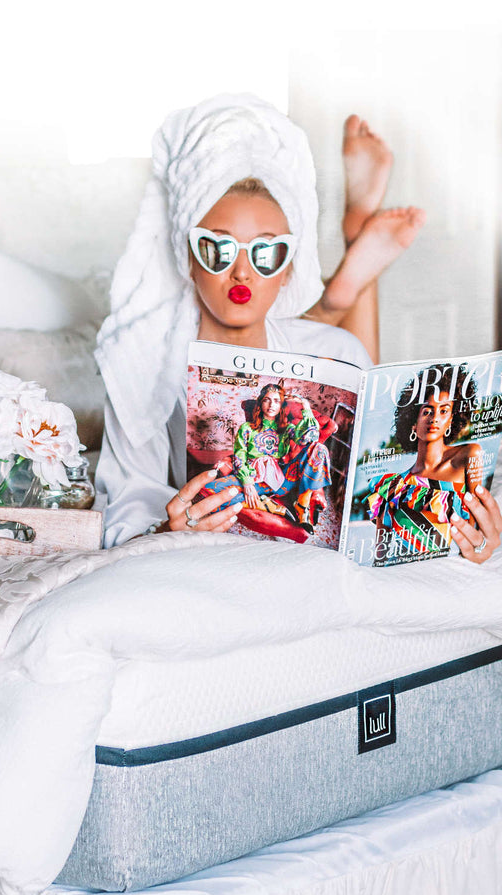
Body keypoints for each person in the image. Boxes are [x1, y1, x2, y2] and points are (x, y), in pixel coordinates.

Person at [94, 94, 501, 563]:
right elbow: (126, 504)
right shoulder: (141, 370)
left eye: (267, 254)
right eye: (218, 250)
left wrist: (468, 536)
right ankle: (349, 269)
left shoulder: (334, 350)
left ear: (288, 268)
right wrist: (169, 529)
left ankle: (349, 269)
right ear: (188, 258)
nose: (242, 273)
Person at [365, 365, 500, 563]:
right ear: (413, 422)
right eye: (427, 411)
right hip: (399, 577)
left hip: (451, 571)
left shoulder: (468, 455)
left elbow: (475, 532)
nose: (435, 418)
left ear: (451, 420)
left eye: (443, 411)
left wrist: (478, 552)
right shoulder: (392, 485)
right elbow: (380, 554)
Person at [202, 384, 330, 531]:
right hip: (254, 478)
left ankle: (302, 505)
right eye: (267, 400)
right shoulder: (247, 428)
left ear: (281, 405)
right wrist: (248, 484)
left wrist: (306, 407)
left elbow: (311, 438)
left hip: (281, 479)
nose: (271, 405)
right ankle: (267, 506)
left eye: (276, 401)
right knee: (208, 489)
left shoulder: (287, 428)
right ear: (261, 402)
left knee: (319, 448)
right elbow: (239, 457)